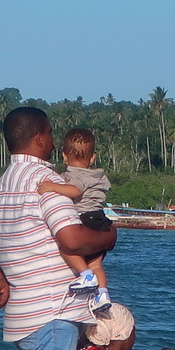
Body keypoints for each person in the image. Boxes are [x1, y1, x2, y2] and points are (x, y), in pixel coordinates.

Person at [0, 107, 117, 350]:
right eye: (51, 134)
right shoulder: (49, 182)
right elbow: (70, 238)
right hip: (52, 311)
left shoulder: (0, 189)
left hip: (22, 315)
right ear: (40, 138)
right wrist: (108, 237)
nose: (54, 141)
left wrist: (2, 279)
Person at [37, 128, 114, 312]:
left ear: (64, 156)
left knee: (65, 247)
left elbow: (75, 191)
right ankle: (103, 294)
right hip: (101, 221)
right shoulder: (98, 175)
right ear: (93, 158)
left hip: (85, 219)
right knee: (96, 263)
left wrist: (51, 186)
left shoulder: (74, 176)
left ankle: (86, 275)